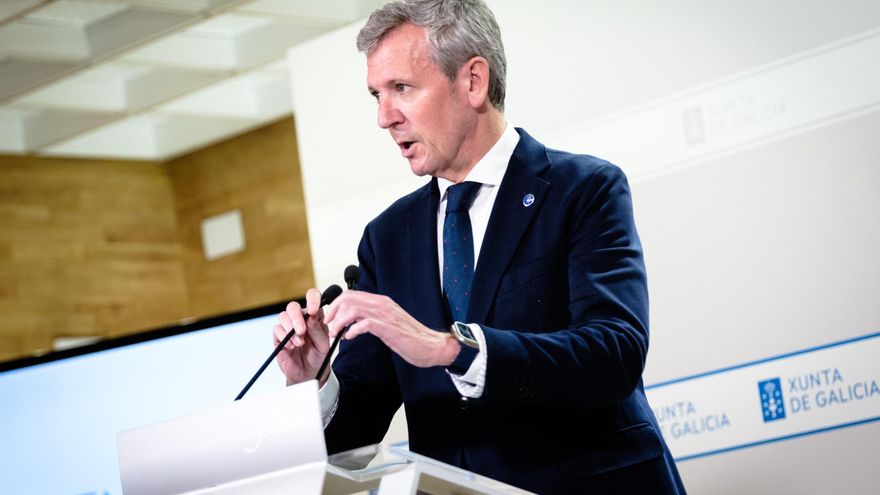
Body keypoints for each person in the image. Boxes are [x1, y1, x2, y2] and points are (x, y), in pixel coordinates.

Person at [273, 0, 686, 493]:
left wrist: (453, 349)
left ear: (472, 81)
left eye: (401, 88)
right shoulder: (387, 239)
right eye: (375, 96)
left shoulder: (584, 189)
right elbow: (355, 439)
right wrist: (315, 382)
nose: (385, 117)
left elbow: (612, 354)